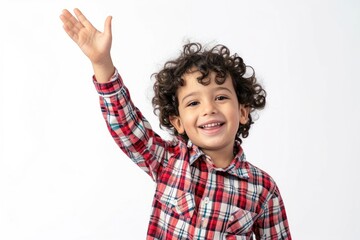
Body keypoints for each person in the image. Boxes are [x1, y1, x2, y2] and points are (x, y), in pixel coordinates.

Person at [60, 8, 291, 240]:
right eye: (193, 103)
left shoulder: (263, 189)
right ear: (178, 122)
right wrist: (102, 63)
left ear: (242, 111)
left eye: (220, 97)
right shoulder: (169, 161)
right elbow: (127, 127)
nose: (209, 109)